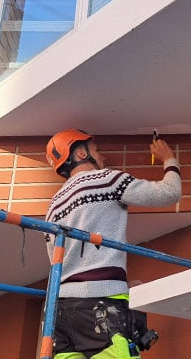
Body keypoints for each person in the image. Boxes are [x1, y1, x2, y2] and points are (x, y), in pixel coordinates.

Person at [44, 129, 181, 359]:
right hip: (99, 305)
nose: (103, 157)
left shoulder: (53, 206)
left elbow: (59, 260)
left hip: (59, 311)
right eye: (97, 151)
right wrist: (169, 159)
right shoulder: (106, 179)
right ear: (80, 154)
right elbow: (169, 193)